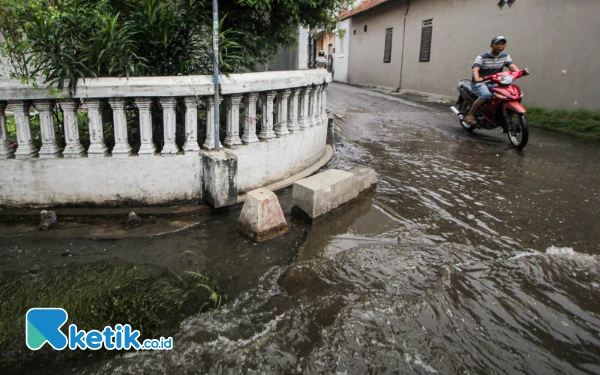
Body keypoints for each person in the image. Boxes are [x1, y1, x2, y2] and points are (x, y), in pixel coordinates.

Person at [465, 36, 529, 125]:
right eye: (497, 44)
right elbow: (475, 69)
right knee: (486, 95)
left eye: (502, 44)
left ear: (505, 45)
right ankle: (470, 114)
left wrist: (520, 72)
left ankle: (497, 115)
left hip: (496, 82)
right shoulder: (482, 57)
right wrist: (477, 78)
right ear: (491, 45)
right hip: (482, 82)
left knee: (508, 95)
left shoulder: (505, 56)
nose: (500, 46)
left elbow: (511, 66)